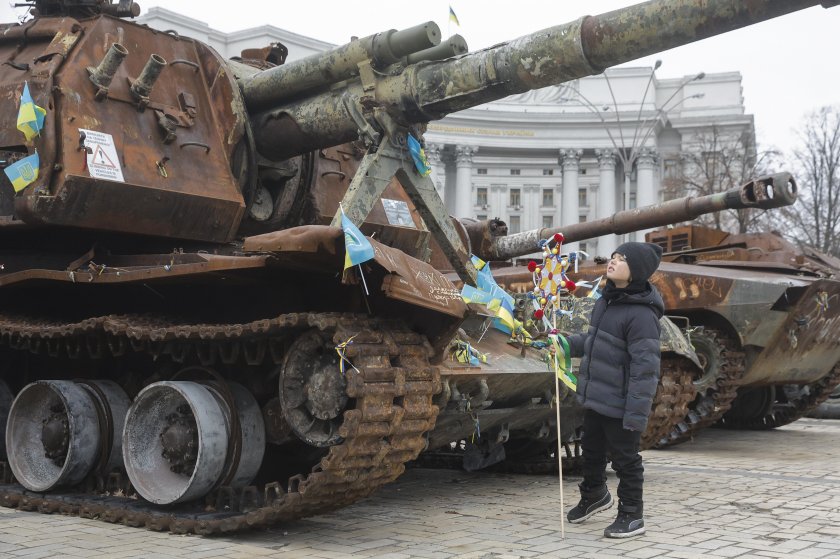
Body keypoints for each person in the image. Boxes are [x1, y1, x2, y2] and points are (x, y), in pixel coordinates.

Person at [565, 241, 663, 538]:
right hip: (597, 396)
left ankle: (632, 515)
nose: (612, 261)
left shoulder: (642, 315)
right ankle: (594, 494)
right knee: (591, 449)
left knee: (625, 459)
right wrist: (566, 343)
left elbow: (645, 369)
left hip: (622, 403)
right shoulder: (606, 302)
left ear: (637, 271)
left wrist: (636, 413)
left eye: (621, 259)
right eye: (613, 257)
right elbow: (595, 341)